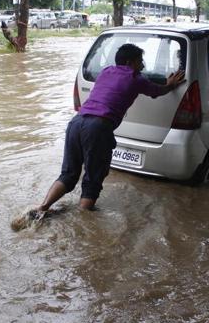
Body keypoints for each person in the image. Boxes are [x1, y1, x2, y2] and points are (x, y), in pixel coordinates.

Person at [13, 43, 185, 229]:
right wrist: (170, 84)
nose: (142, 66)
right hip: (98, 127)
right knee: (93, 179)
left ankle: (42, 208)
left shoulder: (105, 71)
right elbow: (156, 92)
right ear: (129, 62)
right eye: (139, 61)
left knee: (69, 174)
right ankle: (82, 224)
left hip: (76, 123)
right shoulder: (136, 78)